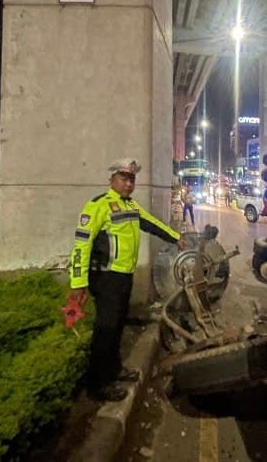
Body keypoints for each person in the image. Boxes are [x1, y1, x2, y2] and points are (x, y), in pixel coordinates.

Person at [67, 158, 186, 402]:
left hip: (123, 277)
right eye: (124, 178)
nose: (129, 183)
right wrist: (78, 283)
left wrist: (175, 237)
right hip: (105, 278)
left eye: (132, 179)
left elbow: (151, 223)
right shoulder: (98, 206)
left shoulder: (130, 206)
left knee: (117, 326)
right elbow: (81, 245)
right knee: (105, 330)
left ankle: (114, 369)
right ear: (112, 180)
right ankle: (98, 385)